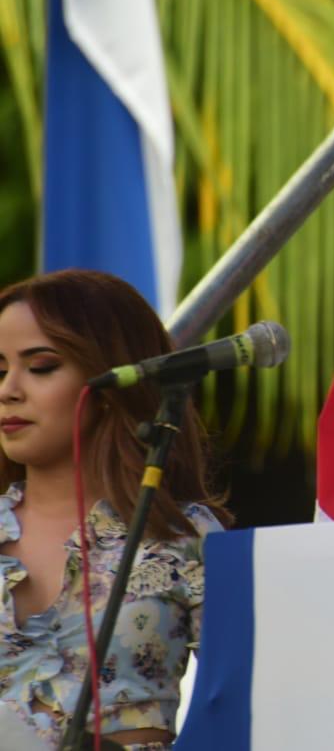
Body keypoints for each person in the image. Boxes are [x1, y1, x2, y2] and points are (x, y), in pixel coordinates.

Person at [0, 270, 230, 750]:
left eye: (40, 366)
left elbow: (247, 699)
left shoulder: (181, 535)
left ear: (111, 381)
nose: (9, 389)